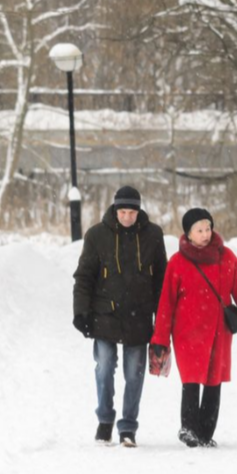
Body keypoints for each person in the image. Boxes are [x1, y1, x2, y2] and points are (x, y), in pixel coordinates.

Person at [149, 207, 237, 447]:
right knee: (191, 380)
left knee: (214, 381)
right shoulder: (177, 262)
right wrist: (160, 338)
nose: (205, 234)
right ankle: (189, 429)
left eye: (208, 228)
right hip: (186, 333)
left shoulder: (228, 257)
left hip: (219, 332)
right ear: (188, 234)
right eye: (199, 230)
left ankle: (205, 433)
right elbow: (166, 303)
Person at [72, 185, 167, 447]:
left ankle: (128, 428)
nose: (127, 217)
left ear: (139, 211)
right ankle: (105, 421)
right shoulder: (96, 236)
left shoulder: (153, 235)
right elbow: (84, 277)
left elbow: (162, 281)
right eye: (123, 211)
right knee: (104, 368)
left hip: (139, 317)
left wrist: (163, 321)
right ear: (115, 210)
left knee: (135, 374)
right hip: (105, 315)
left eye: (132, 212)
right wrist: (81, 312)